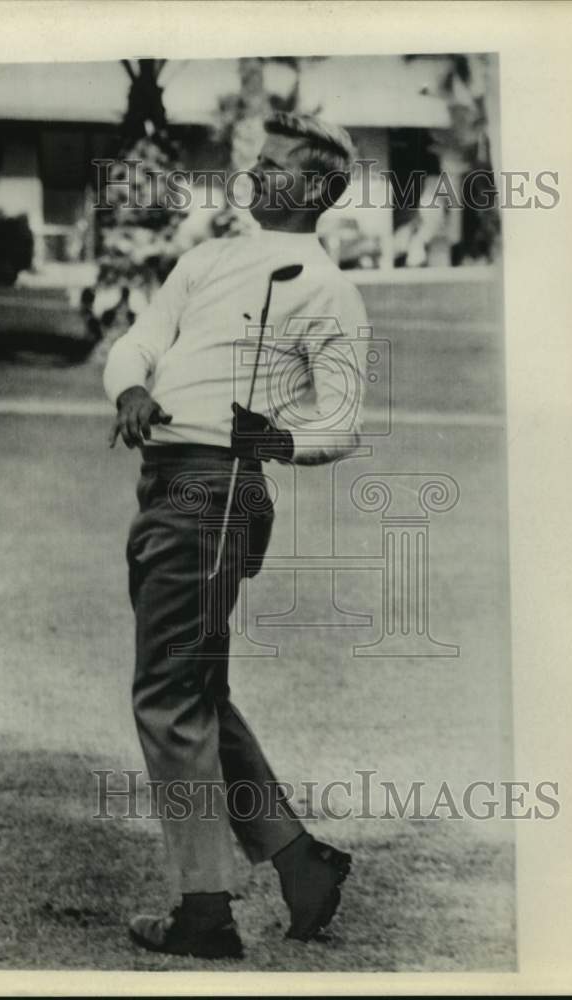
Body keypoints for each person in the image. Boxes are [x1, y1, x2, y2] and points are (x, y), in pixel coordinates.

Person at [103, 112, 369, 958]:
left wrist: (274, 439)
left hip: (212, 491)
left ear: (318, 189)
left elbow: (341, 422)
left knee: (167, 696)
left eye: (278, 165)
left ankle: (204, 911)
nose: (254, 173)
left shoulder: (327, 288)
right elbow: (139, 340)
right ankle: (297, 860)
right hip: (167, 484)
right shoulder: (206, 259)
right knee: (195, 689)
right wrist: (130, 391)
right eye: (258, 159)